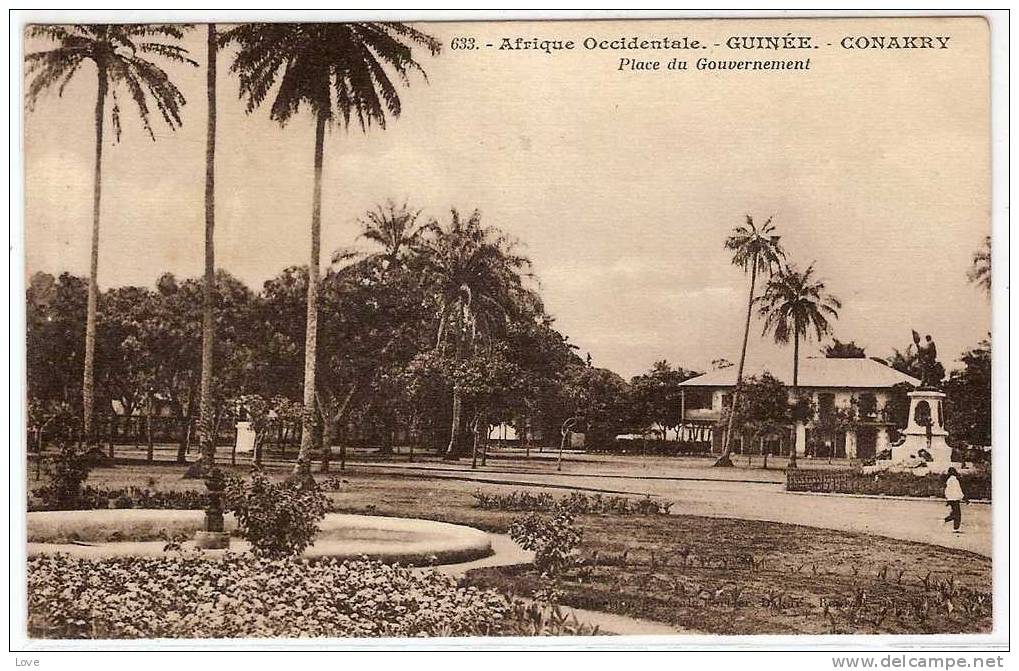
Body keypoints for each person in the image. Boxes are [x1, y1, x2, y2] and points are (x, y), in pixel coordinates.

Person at [943, 467, 966, 533]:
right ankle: (954, 526)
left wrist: (948, 499)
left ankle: (953, 525)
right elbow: (958, 490)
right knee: (957, 514)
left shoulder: (949, 480)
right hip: (955, 499)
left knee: (955, 513)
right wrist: (963, 497)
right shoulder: (954, 480)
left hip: (952, 499)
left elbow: (947, 490)